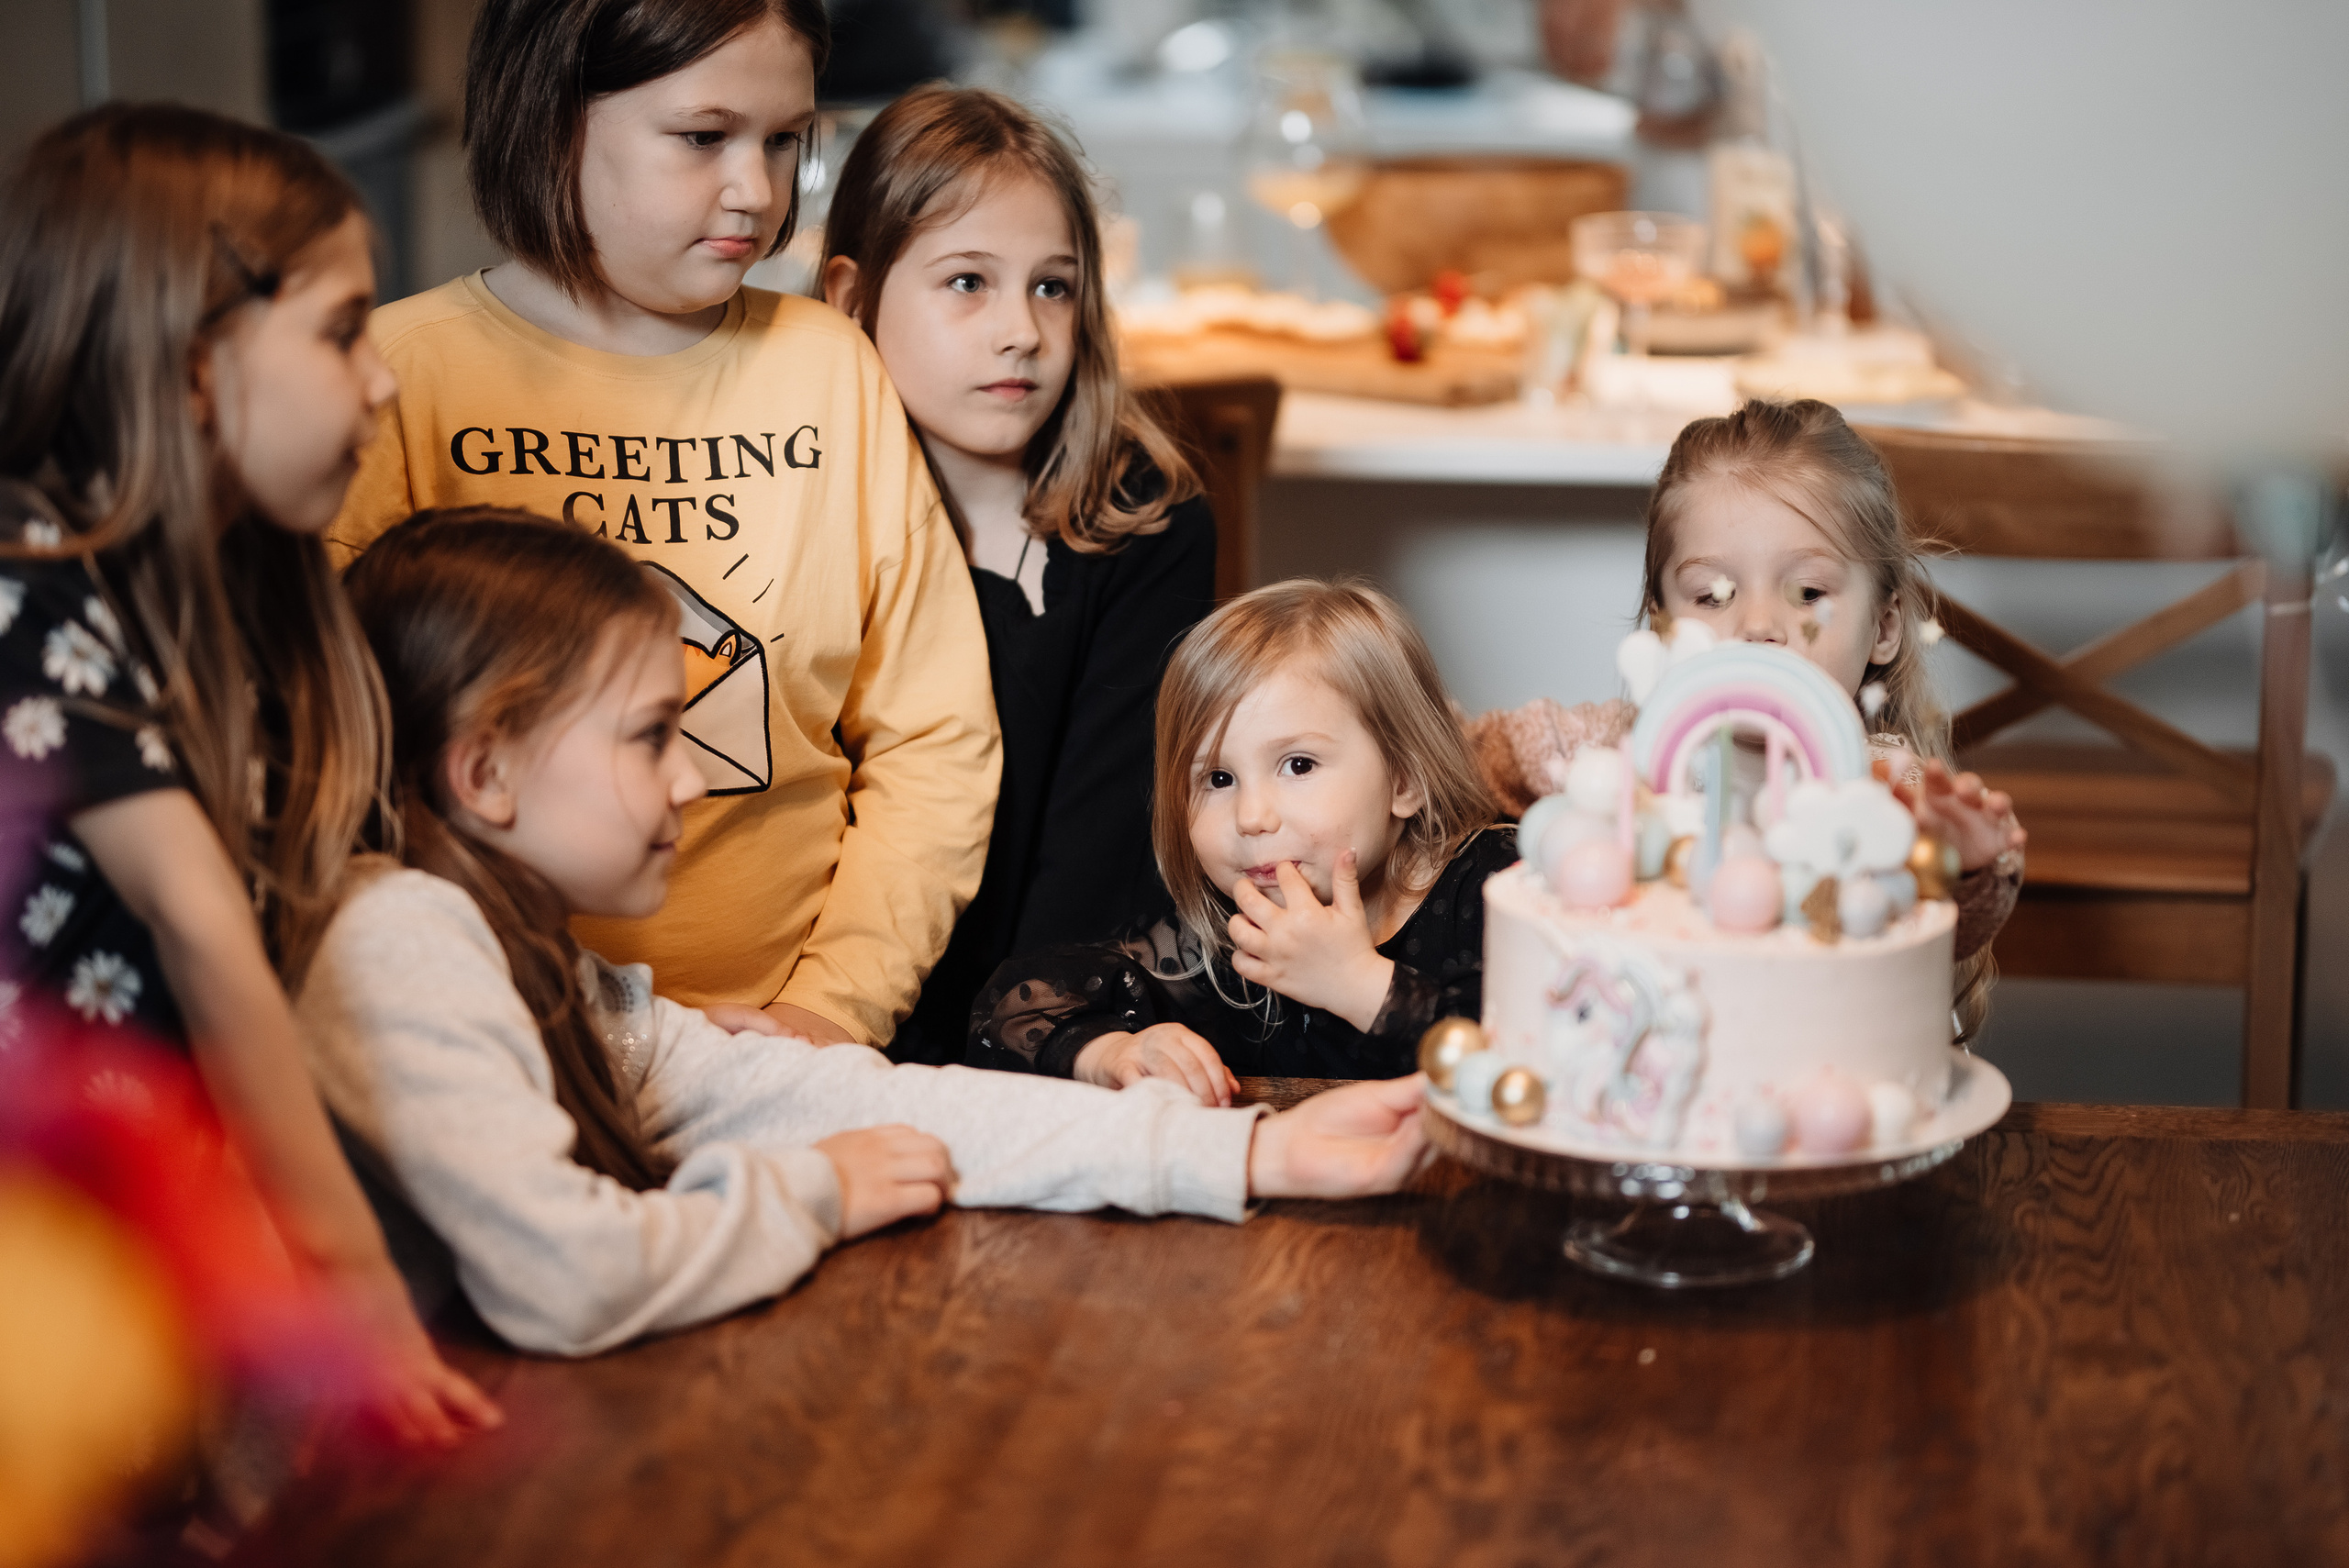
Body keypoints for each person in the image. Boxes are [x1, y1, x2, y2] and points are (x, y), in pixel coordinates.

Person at [303, 510, 1429, 1358]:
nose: (693, 777)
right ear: (485, 771)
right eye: (651, 735)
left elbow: (845, 1097)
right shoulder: (399, 936)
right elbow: (566, 1274)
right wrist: (817, 1193)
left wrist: (1254, 1151)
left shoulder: (533, 968)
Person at [326, 0, 997, 1050]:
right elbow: (338, 763)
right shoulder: (393, 378)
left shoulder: (827, 367)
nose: (756, 190)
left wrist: (830, 1008)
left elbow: (935, 737)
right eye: (702, 137)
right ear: (551, 122)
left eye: (785, 141)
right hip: (494, 1040)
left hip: (795, 1037)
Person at [0, 106, 498, 1445]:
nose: (383, 379)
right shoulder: (31, 583)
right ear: (194, 361)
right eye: (344, 329)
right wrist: (353, 1306)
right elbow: (208, 935)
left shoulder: (227, 586)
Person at [818, 85, 1216, 1064]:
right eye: (967, 282)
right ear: (848, 297)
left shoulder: (1145, 519)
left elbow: (1102, 850)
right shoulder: (802, 507)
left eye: (1052, 285)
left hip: (1052, 1027)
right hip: (823, 1020)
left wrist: (1034, 1046)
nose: (1021, 333)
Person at [968, 580, 1510, 1092]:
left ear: (1404, 779)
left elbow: (1556, 1056)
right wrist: (1110, 1054)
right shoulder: (1228, 937)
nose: (1252, 817)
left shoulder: (1501, 887)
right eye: (1219, 779)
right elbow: (1010, 1009)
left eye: (1298, 765)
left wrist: (1358, 984)